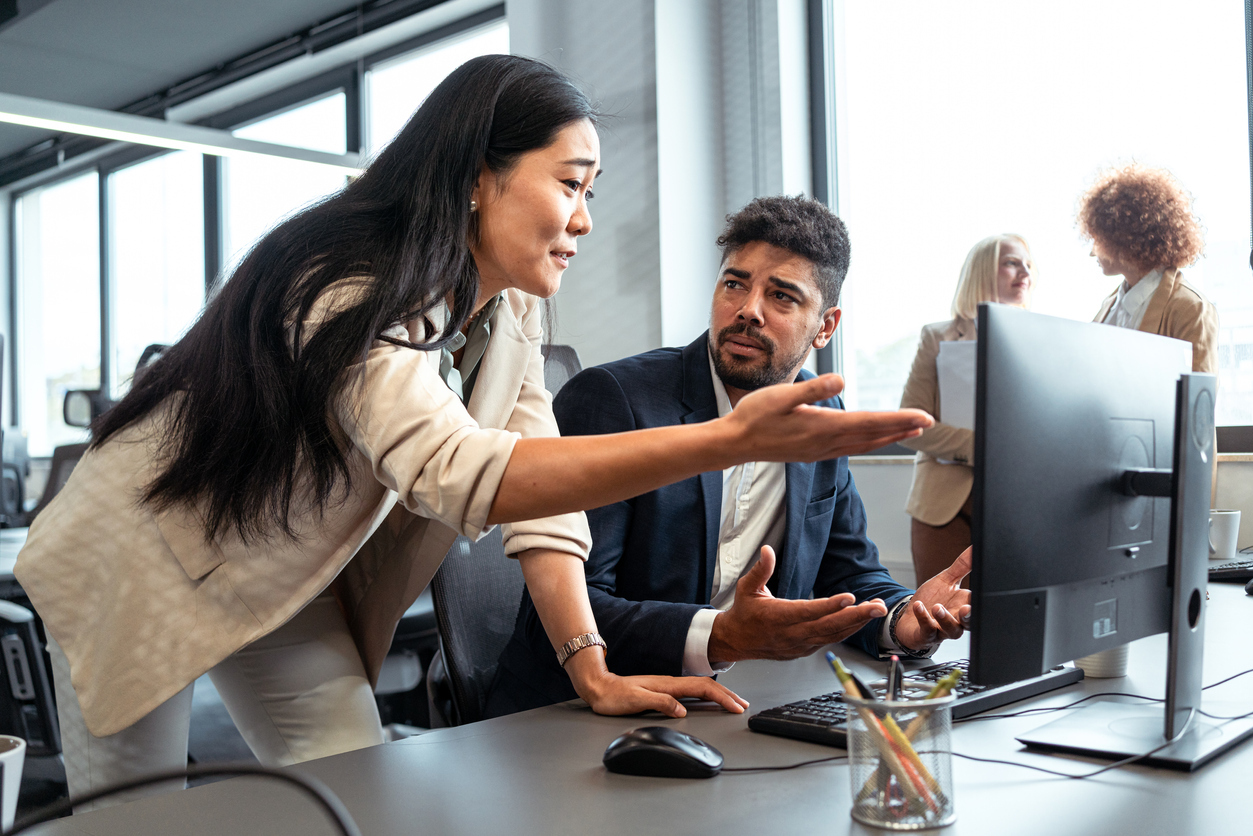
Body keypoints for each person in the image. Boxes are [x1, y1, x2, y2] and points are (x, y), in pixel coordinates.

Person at [14, 58, 932, 809]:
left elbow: (545, 494)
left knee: (349, 790)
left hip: (278, 575)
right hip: (139, 561)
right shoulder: (340, 284)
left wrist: (593, 667)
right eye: (569, 184)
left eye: (591, 190)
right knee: (133, 821)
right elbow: (465, 475)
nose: (581, 220)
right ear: (475, 179)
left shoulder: (506, 312)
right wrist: (731, 440)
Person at [483, 196, 970, 718]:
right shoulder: (614, 399)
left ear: (825, 327)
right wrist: (718, 637)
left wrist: (904, 619)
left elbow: (849, 575)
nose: (748, 311)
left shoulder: (821, 416)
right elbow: (562, 608)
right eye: (734, 283)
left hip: (736, 709)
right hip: (569, 717)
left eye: (782, 296)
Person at [899, 235, 1034, 585]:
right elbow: (911, 424)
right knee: (938, 621)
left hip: (1017, 503)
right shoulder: (937, 337)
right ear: (982, 270)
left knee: (1012, 622)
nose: (1025, 272)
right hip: (945, 507)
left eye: (1028, 265)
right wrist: (981, 447)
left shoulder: (1038, 340)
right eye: (1012, 263)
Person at [1078, 163, 1217, 373]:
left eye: (1099, 238)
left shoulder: (1190, 308)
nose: (1092, 252)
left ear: (1124, 238)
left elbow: (1196, 401)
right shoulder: (1110, 304)